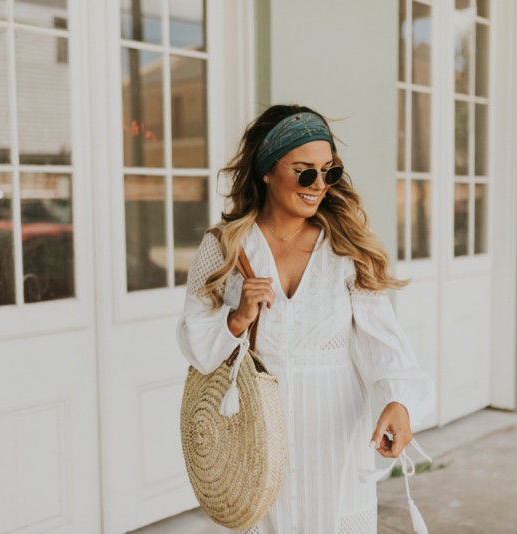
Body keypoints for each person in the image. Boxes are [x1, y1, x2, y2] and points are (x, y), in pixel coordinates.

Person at [176, 104, 435, 534]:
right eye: (303, 171)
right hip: (256, 433)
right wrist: (237, 319)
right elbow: (194, 342)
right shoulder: (223, 247)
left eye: (328, 172)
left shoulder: (346, 249)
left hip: (334, 429)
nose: (318, 185)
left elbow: (385, 344)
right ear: (266, 171)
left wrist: (398, 402)